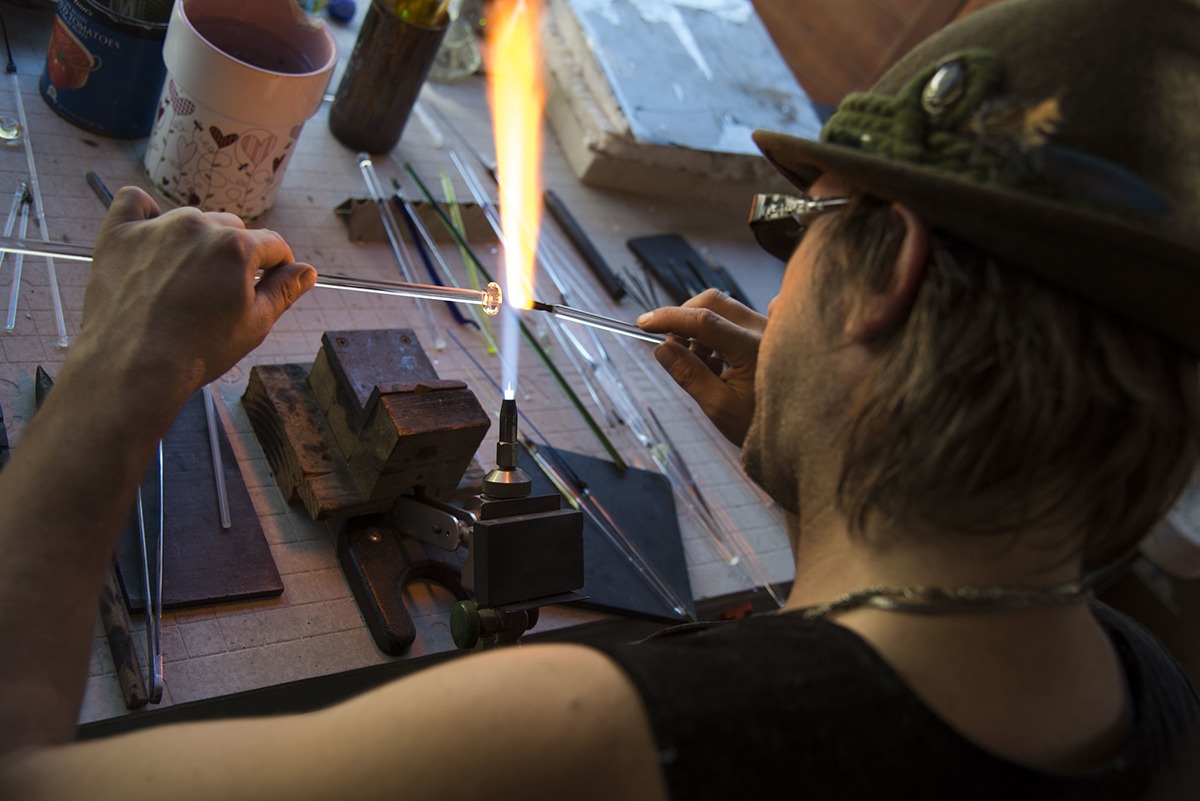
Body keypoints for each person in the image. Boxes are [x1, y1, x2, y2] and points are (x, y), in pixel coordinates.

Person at [0, 0, 1198, 798]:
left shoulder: (592, 732)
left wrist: (117, 374)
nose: (784, 271)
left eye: (801, 227)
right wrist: (829, 452)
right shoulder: (1148, 690)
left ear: (894, 280)